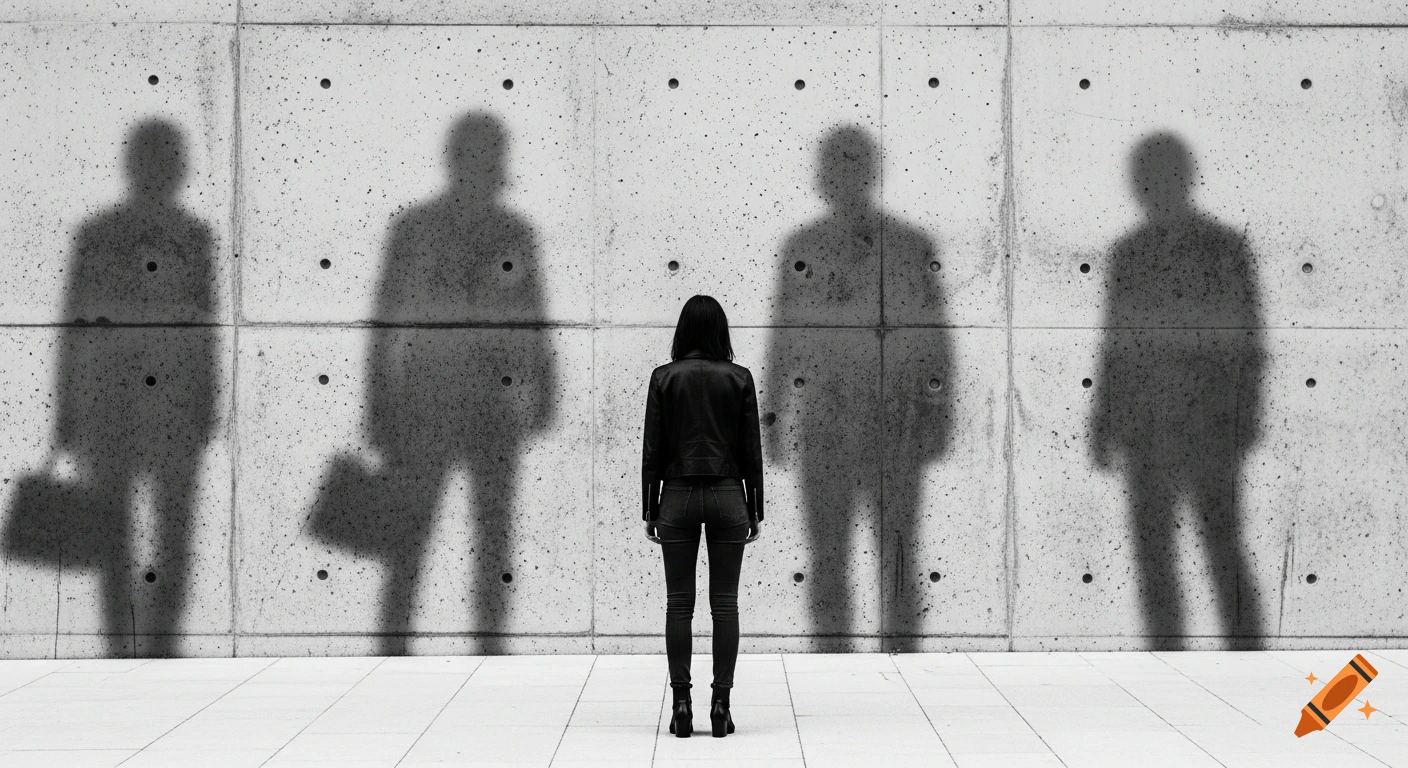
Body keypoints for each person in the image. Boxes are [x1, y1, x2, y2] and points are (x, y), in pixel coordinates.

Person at [641, 295, 764, 738]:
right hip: (729, 495)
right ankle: (720, 705)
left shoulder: (663, 378)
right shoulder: (739, 378)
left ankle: (681, 705)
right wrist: (756, 508)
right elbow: (752, 450)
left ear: (682, 330)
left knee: (679, 604)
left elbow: (652, 449)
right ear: (720, 330)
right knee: (724, 605)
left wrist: (649, 507)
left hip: (676, 496)